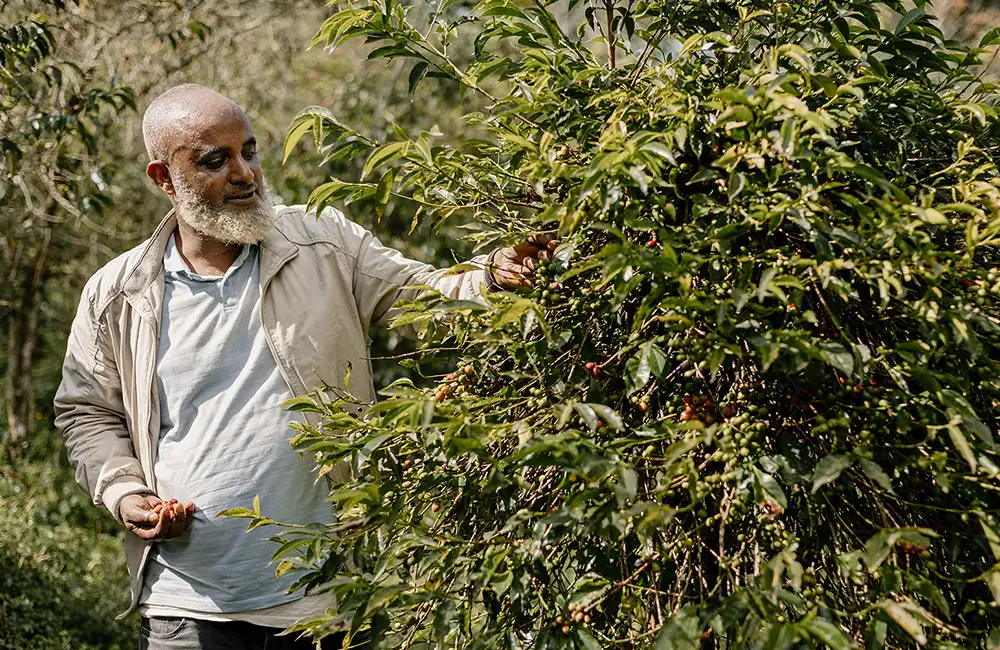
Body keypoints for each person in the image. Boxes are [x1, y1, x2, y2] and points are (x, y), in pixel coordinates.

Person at [53, 84, 556, 650]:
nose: (244, 173)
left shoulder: (322, 242)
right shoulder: (118, 292)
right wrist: (125, 492)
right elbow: (87, 412)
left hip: (327, 599)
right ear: (163, 178)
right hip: (185, 603)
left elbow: (427, 298)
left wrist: (493, 275)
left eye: (250, 151)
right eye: (215, 161)